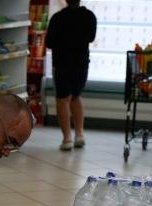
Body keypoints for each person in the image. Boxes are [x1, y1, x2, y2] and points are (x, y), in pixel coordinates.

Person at [45, 0, 97, 151]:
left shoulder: (58, 18)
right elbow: (91, 37)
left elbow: (49, 42)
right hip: (81, 62)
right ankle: (79, 135)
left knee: (62, 100)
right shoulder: (89, 16)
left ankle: (67, 138)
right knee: (76, 96)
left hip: (62, 63)